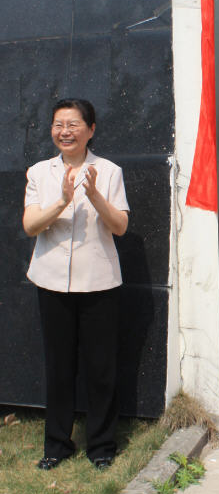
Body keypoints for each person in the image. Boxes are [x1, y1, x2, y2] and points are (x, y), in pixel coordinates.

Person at [23, 98, 129, 471]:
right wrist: (63, 201)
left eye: (72, 124)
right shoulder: (38, 172)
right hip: (51, 282)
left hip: (98, 282)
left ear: (91, 129)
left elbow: (120, 226)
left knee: (101, 368)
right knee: (59, 367)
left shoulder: (110, 171)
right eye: (58, 124)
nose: (64, 132)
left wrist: (94, 195)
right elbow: (31, 226)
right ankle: (57, 445)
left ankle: (101, 446)